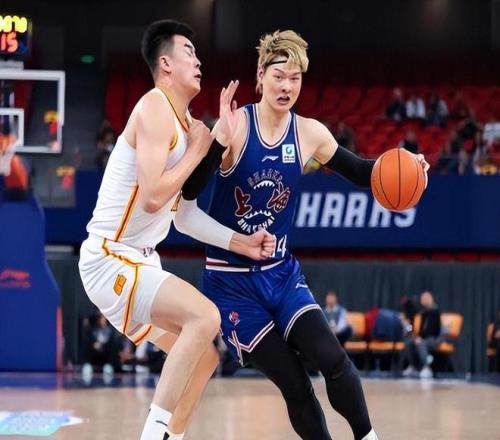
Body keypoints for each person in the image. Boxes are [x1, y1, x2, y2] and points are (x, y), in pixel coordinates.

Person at [175, 29, 430, 440]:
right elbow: (189, 194)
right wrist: (218, 141)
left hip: (280, 275)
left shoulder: (309, 132)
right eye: (279, 76)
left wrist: (408, 165)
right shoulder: (236, 126)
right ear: (261, 76)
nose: (287, 86)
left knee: (332, 358)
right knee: (295, 383)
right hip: (231, 285)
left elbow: (362, 172)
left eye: (295, 78)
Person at [79, 19, 275, 440]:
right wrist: (200, 150)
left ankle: (172, 436)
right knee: (205, 316)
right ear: (165, 63)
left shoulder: (187, 125)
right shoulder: (154, 106)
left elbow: (183, 216)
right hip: (110, 257)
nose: (198, 60)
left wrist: (242, 242)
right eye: (189, 52)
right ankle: (154, 435)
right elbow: (153, 196)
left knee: (204, 358)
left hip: (139, 261)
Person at [403, 291, 441, 379]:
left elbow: (431, 330)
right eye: (422, 298)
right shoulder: (422, 313)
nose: (423, 300)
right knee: (409, 342)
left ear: (430, 299)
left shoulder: (435, 311)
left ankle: (427, 368)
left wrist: (420, 338)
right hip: (423, 337)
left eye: (425, 298)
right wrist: (409, 329)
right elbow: (413, 328)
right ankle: (413, 367)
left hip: (434, 338)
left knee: (421, 343)